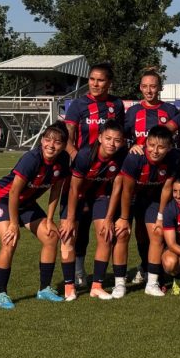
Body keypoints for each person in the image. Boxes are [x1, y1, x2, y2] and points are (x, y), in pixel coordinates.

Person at [0, 122, 71, 309]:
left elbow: (56, 189)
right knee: (10, 241)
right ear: (41, 141)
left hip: (25, 202)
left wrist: (49, 219)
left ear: (64, 145)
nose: (51, 145)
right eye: (47, 140)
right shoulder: (31, 159)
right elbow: (14, 191)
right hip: (0, 198)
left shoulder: (63, 159)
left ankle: (44, 289)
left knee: (51, 236)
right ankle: (0, 294)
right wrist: (14, 224)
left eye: (57, 142)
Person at [64, 62, 125, 287]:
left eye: (100, 80)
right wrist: (79, 159)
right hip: (82, 173)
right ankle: (78, 270)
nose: (95, 84)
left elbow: (117, 135)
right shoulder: (78, 104)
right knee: (78, 223)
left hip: (105, 176)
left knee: (102, 225)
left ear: (109, 83)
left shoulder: (116, 104)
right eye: (92, 79)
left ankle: (99, 278)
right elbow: (69, 136)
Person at [58, 119, 130, 300]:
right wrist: (70, 218)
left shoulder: (122, 156)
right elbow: (74, 189)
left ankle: (96, 286)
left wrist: (108, 218)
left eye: (117, 140)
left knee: (106, 234)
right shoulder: (84, 155)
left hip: (100, 197)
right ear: (100, 138)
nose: (112, 143)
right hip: (76, 196)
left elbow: (117, 188)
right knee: (68, 236)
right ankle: (69, 286)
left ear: (122, 142)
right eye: (108, 138)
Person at [115, 126, 180, 296]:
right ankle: (119, 283)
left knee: (156, 234)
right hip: (131, 198)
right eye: (151, 145)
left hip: (153, 199)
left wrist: (160, 217)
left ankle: (152, 283)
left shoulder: (173, 158)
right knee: (122, 234)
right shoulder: (134, 158)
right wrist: (123, 217)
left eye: (161, 147)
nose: (155, 150)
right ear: (145, 143)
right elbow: (126, 191)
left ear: (169, 147)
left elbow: (167, 189)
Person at [125, 67, 179, 151]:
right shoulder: (132, 111)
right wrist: (131, 146)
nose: (148, 91)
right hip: (139, 159)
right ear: (140, 87)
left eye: (153, 86)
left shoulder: (171, 110)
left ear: (160, 87)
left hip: (164, 160)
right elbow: (123, 137)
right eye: (144, 86)